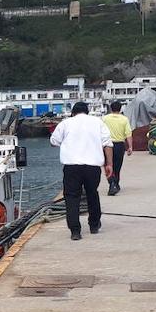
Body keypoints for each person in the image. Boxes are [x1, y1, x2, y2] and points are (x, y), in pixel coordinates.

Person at [49, 102, 114, 241]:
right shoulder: (98, 122)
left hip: (72, 166)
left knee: (72, 197)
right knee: (92, 194)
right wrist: (109, 164)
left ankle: (75, 231)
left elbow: (54, 141)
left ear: (73, 112)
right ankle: (94, 225)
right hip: (93, 166)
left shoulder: (66, 123)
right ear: (87, 112)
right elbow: (107, 144)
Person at [102, 100, 133, 195]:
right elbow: (128, 134)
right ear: (120, 109)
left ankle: (111, 183)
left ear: (111, 108)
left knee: (108, 165)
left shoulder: (104, 118)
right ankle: (116, 183)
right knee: (117, 166)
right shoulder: (124, 119)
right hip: (119, 145)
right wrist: (130, 147)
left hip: (107, 145)